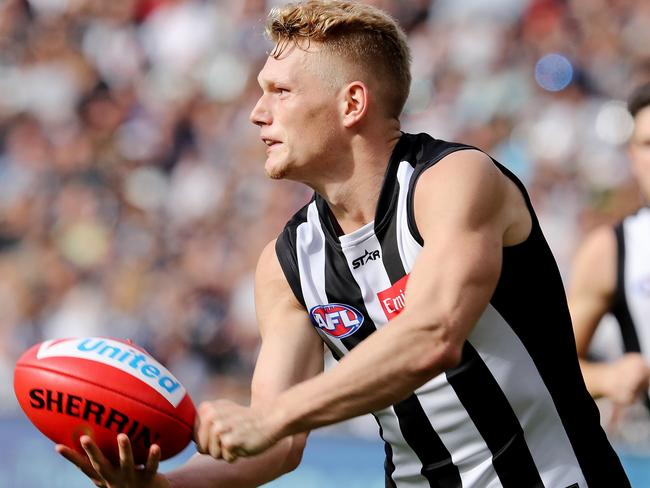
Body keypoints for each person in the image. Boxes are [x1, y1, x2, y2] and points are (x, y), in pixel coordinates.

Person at [57, 1, 630, 486]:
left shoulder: (453, 181)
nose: (257, 113)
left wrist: (275, 416)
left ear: (351, 104)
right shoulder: (286, 263)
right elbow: (279, 449)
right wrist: (159, 485)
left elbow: (431, 336)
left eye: (279, 92)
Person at [567, 83, 650, 426]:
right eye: (648, 144)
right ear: (632, 155)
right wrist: (608, 377)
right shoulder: (613, 249)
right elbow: (555, 368)